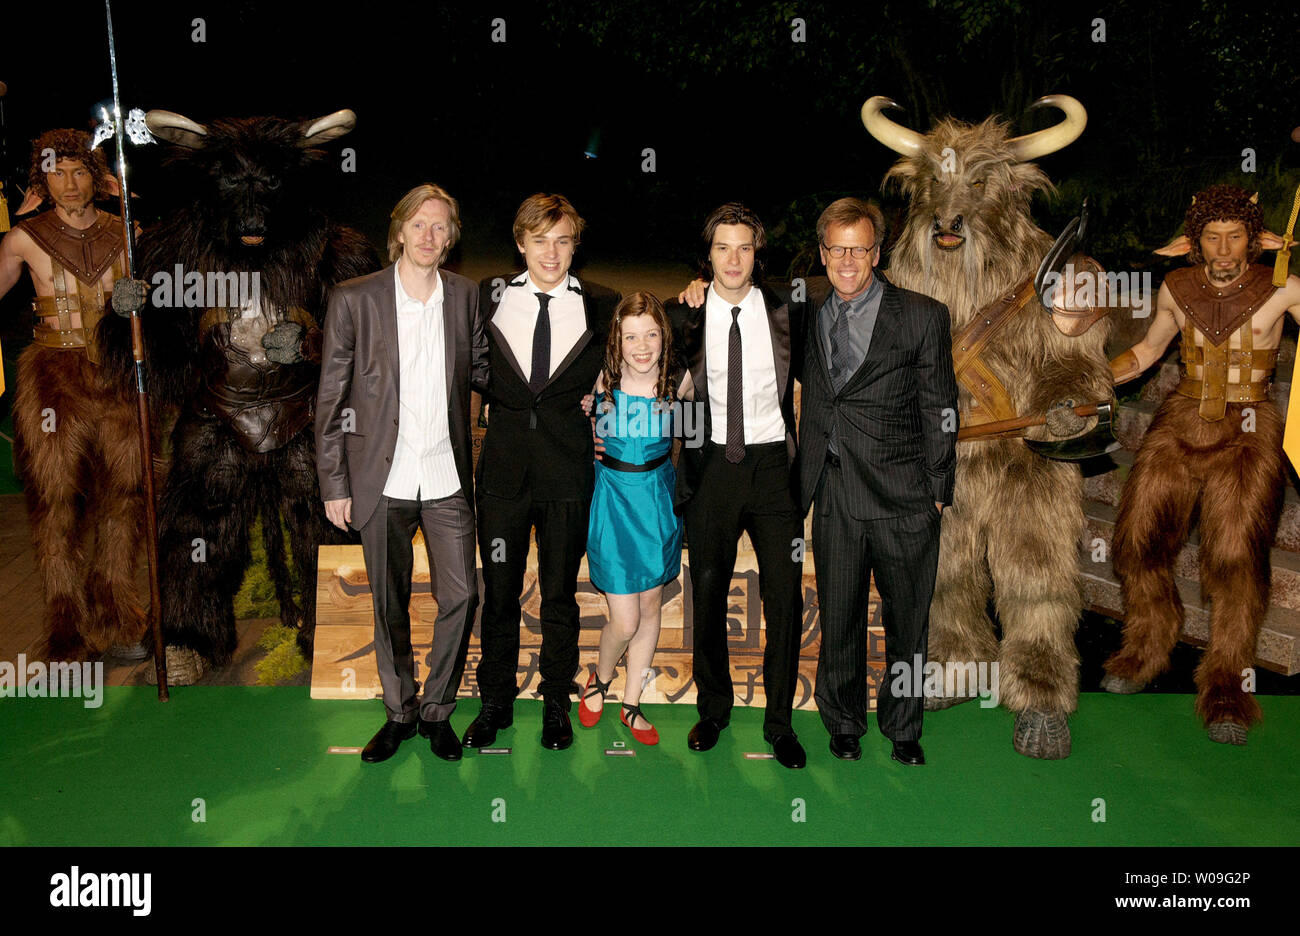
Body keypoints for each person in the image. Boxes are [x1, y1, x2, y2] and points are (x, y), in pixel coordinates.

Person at [1103, 184, 1300, 745]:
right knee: (1136, 539)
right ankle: (1145, 648)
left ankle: (1227, 690)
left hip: (1248, 430)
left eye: (1234, 236)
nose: (1223, 249)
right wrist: (1093, 379)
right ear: (1193, 243)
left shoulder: (1283, 287)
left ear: (1256, 241)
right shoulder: (1176, 287)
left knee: (1236, 558)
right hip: (1182, 419)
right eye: (1211, 237)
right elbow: (1144, 354)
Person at [315, 183, 487, 763]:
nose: (429, 236)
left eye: (441, 227)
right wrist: (334, 484)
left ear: (451, 239)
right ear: (399, 231)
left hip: (445, 476)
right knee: (387, 606)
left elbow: (488, 368)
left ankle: (437, 710)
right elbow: (331, 398)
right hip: (379, 480)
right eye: (419, 224)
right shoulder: (354, 298)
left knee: (462, 595)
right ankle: (399, 711)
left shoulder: (465, 297)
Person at [798, 197, 957, 766]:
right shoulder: (804, 309)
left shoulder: (921, 314)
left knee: (906, 621)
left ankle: (903, 727)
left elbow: (942, 404)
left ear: (877, 251)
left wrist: (939, 489)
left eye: (858, 248)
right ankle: (843, 723)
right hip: (835, 488)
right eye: (836, 248)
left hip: (904, 496)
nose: (846, 260)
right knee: (837, 616)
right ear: (822, 254)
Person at [463, 194, 621, 752]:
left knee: (559, 596)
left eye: (562, 240)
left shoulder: (604, 305)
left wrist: (601, 402)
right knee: (499, 595)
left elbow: (635, 362)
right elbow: (470, 363)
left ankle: (557, 701)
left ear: (575, 244)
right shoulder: (487, 295)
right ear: (520, 243)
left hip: (567, 475)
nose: (550, 252)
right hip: (503, 474)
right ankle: (495, 705)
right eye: (539, 240)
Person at [668, 202, 807, 769]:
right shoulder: (687, 316)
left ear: (757, 254)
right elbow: (654, 380)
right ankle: (714, 708)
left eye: (744, 247)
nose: (733, 258)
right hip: (711, 470)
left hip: (775, 468)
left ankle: (780, 722)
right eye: (722, 247)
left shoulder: (789, 309)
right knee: (707, 591)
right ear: (708, 257)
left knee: (785, 597)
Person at [0, 129, 145, 661]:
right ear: (41, 182)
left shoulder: (126, 232)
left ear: (98, 178)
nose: (69, 183)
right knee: (55, 504)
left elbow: (154, 307)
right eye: (56, 173)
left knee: (124, 498)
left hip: (115, 373)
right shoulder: (23, 238)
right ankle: (66, 628)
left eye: (79, 171)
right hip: (53, 380)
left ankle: (117, 613)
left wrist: (139, 300)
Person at [578, 291, 683, 746]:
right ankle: (599, 679)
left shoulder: (681, 383)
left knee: (650, 608)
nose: (642, 346)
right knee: (623, 620)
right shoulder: (602, 382)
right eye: (631, 336)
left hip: (658, 507)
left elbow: (697, 444)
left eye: (652, 334)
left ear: (664, 336)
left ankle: (631, 701)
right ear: (616, 343)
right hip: (614, 507)